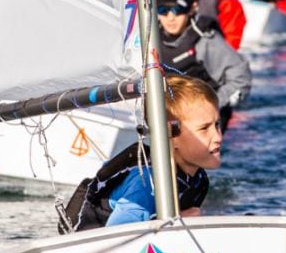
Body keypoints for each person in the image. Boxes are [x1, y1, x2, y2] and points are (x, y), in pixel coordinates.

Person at [57, 75, 222, 232]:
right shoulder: (146, 182)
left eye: (217, 125)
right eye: (204, 129)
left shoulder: (198, 180)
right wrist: (177, 222)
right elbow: (118, 235)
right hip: (91, 241)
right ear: (171, 135)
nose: (218, 137)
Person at [154, 0, 251, 127]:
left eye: (178, 10)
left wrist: (211, 106)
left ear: (192, 8)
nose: (171, 17)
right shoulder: (151, 39)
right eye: (163, 10)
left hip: (204, 122)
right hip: (172, 116)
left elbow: (241, 77)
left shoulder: (206, 41)